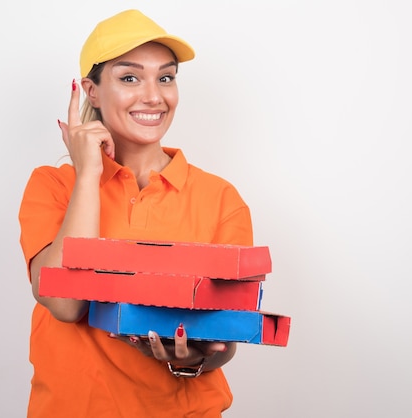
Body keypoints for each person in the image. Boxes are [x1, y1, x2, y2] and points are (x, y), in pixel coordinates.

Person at [18, 9, 254, 417]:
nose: (154, 95)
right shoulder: (53, 185)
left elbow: (224, 339)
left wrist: (194, 358)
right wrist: (88, 174)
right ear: (91, 91)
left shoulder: (220, 198)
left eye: (166, 77)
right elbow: (66, 304)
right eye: (130, 77)